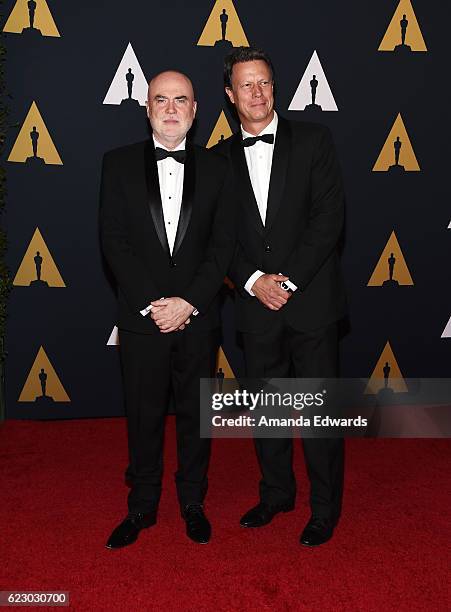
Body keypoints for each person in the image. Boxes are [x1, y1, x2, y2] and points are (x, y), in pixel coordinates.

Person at [213, 47, 347, 546]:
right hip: (254, 307)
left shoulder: (314, 140)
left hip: (311, 302)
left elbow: (328, 221)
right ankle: (276, 494)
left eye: (264, 82)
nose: (257, 93)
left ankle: (326, 508)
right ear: (229, 95)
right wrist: (252, 282)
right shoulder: (217, 160)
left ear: (275, 86)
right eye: (246, 85)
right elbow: (216, 239)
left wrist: (285, 281)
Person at [100, 70, 234, 548]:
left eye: (182, 100)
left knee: (198, 416)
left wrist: (189, 302)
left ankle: (193, 501)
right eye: (161, 100)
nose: (172, 108)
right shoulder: (115, 165)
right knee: (143, 414)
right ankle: (142, 506)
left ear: (196, 111)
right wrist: (153, 306)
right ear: (147, 108)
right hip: (143, 319)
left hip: (198, 319)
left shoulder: (219, 170)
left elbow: (222, 248)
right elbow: (113, 243)